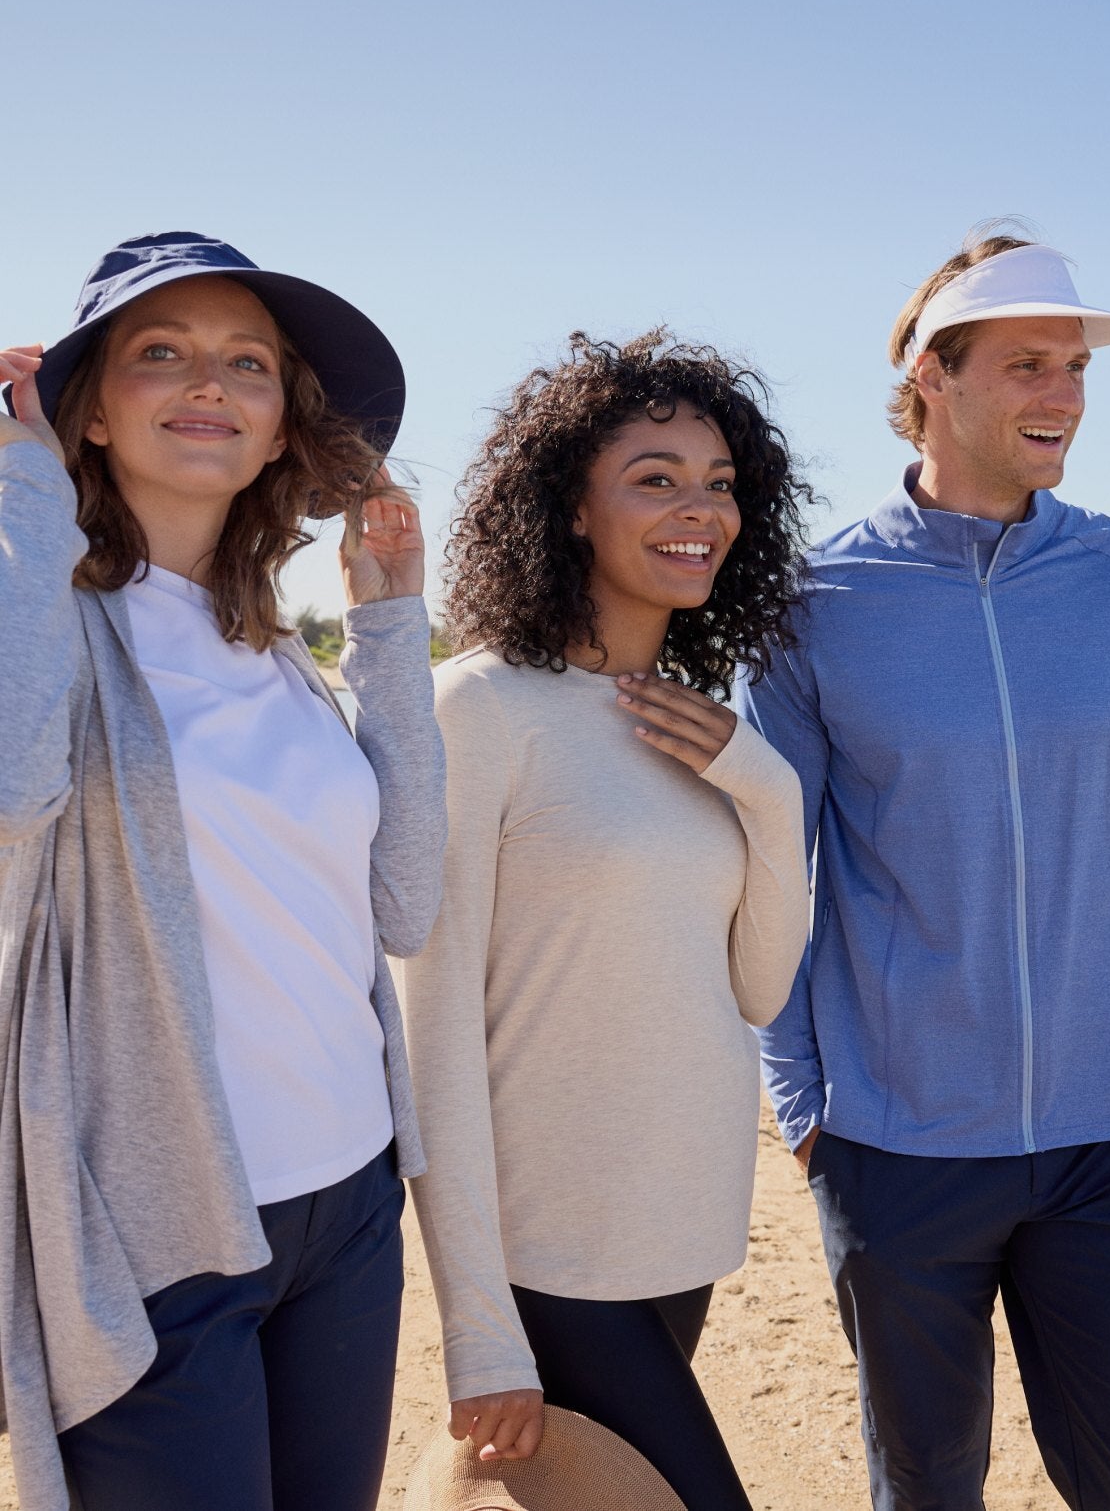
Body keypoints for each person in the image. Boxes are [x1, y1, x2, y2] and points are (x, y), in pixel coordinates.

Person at [0, 232, 446, 1511]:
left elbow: (405, 901)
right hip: (162, 1228)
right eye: (159, 352)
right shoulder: (48, 615)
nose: (210, 381)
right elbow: (14, 785)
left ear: (275, 431)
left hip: (350, 1206)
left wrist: (389, 630)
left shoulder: (277, 651)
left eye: (247, 363)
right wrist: (20, 485)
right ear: (85, 413)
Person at [739, 231, 1110, 1511]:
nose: (1065, 398)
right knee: (925, 1486)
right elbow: (773, 864)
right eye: (1030, 364)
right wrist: (802, 1101)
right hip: (896, 1140)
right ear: (935, 373)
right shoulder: (813, 601)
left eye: (1078, 370)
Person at [400, 329, 811, 1511]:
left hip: (680, 1229)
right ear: (570, 510)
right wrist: (479, 1332)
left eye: (721, 482)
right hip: (546, 1252)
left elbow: (758, 990)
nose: (702, 509)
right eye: (656, 478)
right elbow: (432, 1037)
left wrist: (767, 792)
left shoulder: (706, 734)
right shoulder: (476, 711)